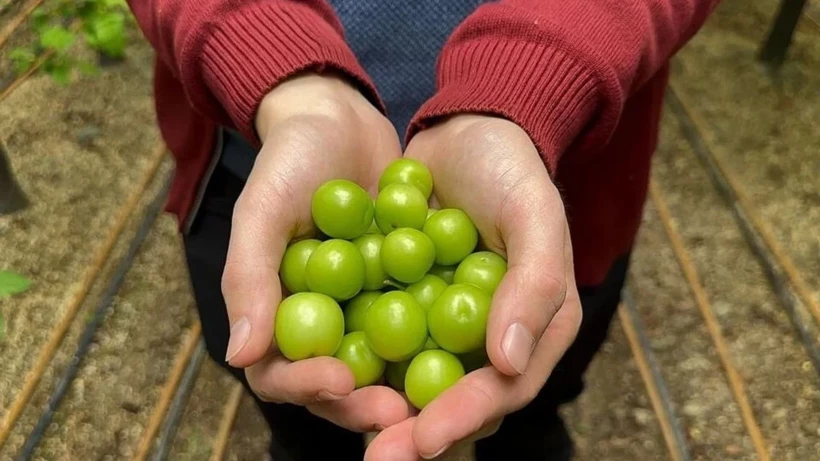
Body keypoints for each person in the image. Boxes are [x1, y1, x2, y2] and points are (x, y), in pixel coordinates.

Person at [128, 1, 720, 459]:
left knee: (528, 411)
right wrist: (269, 55)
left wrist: (534, 76)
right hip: (262, 163)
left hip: (553, 193)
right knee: (303, 423)